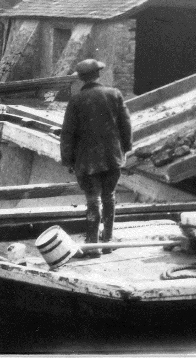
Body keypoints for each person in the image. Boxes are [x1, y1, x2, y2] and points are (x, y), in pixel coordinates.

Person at [60, 59, 132, 257]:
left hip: (87, 161)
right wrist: (124, 150)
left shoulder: (76, 101)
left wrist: (68, 160)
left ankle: (93, 245)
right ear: (99, 74)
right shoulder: (114, 94)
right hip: (112, 158)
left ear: (81, 78)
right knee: (109, 196)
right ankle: (108, 240)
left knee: (93, 200)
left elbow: (68, 133)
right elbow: (126, 126)